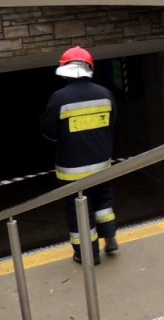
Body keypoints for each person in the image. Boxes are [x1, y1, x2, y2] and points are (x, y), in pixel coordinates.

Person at [40, 46, 119, 265]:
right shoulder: (105, 94)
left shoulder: (59, 98)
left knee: (79, 212)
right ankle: (110, 235)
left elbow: (49, 132)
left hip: (72, 169)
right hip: (102, 164)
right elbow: (111, 124)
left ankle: (88, 255)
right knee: (103, 201)